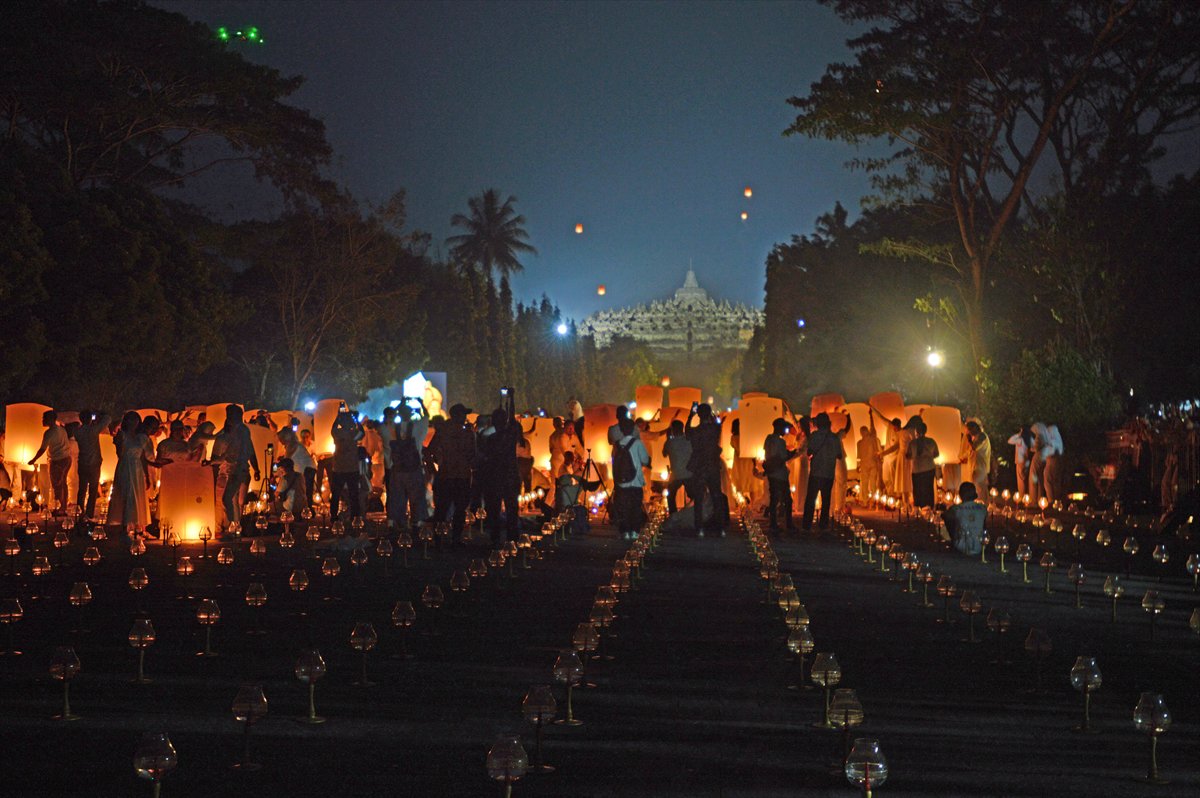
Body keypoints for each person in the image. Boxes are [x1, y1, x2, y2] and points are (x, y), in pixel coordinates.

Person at [108, 411, 165, 534]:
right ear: (126, 422)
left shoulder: (140, 437)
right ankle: (125, 526)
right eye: (130, 420)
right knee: (127, 493)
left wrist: (148, 474)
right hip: (125, 466)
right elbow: (120, 453)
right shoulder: (121, 435)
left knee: (137, 495)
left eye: (136, 420)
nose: (133, 422)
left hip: (137, 467)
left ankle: (136, 525)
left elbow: (144, 458)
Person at [429, 403, 476, 545]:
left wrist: (433, 469)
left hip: (448, 475)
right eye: (463, 415)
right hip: (458, 475)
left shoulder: (444, 430)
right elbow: (472, 454)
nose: (465, 418)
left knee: (444, 510)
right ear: (456, 415)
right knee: (456, 509)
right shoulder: (463, 432)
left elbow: (428, 451)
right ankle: (453, 538)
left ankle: (441, 539)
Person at [210, 405, 260, 534]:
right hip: (233, 471)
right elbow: (219, 457)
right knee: (232, 499)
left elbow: (250, 451)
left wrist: (256, 469)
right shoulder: (227, 435)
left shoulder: (242, 432)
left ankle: (235, 526)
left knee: (234, 499)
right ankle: (235, 526)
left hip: (239, 470)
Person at [481, 390, 522, 544]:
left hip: (496, 478)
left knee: (495, 510)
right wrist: (511, 399)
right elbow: (512, 419)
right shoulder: (510, 434)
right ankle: (512, 538)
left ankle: (496, 539)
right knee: (511, 510)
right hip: (509, 476)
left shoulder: (490, 439)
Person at [389, 398, 429, 532]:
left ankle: (400, 523)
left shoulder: (393, 428)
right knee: (417, 497)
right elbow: (427, 417)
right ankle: (416, 523)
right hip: (414, 469)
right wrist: (421, 403)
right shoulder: (418, 427)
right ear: (411, 413)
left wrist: (400, 403)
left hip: (398, 469)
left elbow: (391, 415)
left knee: (399, 497)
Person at [685, 403, 724, 532]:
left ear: (699, 415)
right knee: (716, 496)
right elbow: (717, 423)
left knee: (699, 497)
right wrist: (711, 415)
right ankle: (720, 528)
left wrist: (691, 415)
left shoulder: (695, 431)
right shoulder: (715, 429)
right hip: (712, 465)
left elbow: (687, 432)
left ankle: (699, 527)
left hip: (700, 466)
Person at [611, 415, 651, 539]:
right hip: (635, 481)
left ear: (622, 430)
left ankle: (625, 531)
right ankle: (634, 531)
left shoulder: (617, 445)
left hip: (621, 482)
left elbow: (614, 462)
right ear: (633, 429)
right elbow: (645, 459)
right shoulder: (638, 443)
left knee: (623, 508)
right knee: (635, 507)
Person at [802, 413, 844, 531]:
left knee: (810, 500)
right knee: (826, 501)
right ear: (829, 424)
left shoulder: (815, 436)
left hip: (816, 473)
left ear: (818, 424)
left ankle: (806, 525)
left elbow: (809, 452)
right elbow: (839, 455)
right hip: (828, 474)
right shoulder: (835, 438)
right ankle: (823, 526)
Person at [28, 410, 72, 515]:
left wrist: (33, 460)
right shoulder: (62, 430)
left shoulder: (49, 433)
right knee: (63, 484)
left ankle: (60, 508)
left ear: (51, 419)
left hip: (57, 461)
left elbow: (42, 449)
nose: (42, 420)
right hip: (66, 459)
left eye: (45, 418)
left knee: (57, 485)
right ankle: (63, 506)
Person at [763, 418, 799, 531]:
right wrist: (793, 453)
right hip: (780, 474)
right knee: (787, 500)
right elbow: (783, 457)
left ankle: (773, 523)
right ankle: (788, 523)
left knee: (774, 499)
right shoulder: (780, 442)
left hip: (771, 473)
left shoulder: (768, 439)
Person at [329, 405, 364, 521]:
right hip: (352, 468)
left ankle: (333, 517)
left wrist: (338, 417)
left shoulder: (337, 433)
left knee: (335, 494)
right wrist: (356, 420)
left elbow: (333, 428)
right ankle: (355, 516)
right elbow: (362, 432)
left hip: (338, 468)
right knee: (354, 494)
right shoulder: (353, 433)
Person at [277, 417, 316, 508]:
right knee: (305, 490)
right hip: (307, 467)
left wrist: (276, 471)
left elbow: (286, 461)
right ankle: (306, 508)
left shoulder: (292, 445)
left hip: (307, 468)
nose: (280, 442)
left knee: (305, 490)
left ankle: (306, 509)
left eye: (281, 439)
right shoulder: (294, 444)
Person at [943, 481, 987, 556]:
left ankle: (954, 540)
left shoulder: (955, 509)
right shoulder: (983, 508)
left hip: (960, 546)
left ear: (960, 495)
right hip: (980, 546)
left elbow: (944, 516)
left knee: (950, 520)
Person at [906, 420, 940, 508]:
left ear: (916, 431)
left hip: (917, 469)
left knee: (918, 490)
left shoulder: (913, 443)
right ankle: (929, 508)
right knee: (928, 489)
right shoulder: (931, 441)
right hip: (929, 467)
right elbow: (936, 454)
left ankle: (919, 509)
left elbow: (908, 455)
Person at [662, 420, 692, 515]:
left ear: (673, 429)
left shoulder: (670, 442)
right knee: (693, 494)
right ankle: (693, 513)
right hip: (689, 473)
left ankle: (673, 515)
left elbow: (664, 454)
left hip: (676, 475)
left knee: (670, 495)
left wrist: (667, 438)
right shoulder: (689, 440)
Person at [963, 420, 992, 499]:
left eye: (969, 429)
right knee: (975, 488)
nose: (969, 432)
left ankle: (982, 506)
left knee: (980, 489)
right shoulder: (975, 438)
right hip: (974, 467)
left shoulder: (982, 436)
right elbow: (971, 452)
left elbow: (975, 447)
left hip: (981, 468)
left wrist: (969, 439)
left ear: (975, 427)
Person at [856, 424, 881, 500]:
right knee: (868, 483)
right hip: (868, 464)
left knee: (868, 483)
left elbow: (859, 456)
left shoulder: (862, 442)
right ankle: (869, 500)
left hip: (868, 464)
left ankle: (868, 500)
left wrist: (858, 466)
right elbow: (859, 456)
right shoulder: (862, 442)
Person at [1007, 426, 1034, 497]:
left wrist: (1018, 434)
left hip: (1020, 461)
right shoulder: (1030, 439)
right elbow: (1034, 448)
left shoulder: (1019, 439)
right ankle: (1027, 495)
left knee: (1021, 480)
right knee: (1026, 479)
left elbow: (1009, 441)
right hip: (1027, 461)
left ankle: (1022, 496)